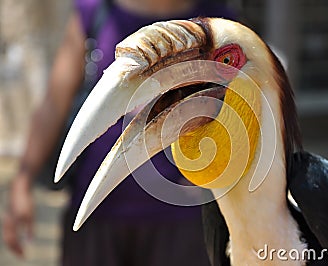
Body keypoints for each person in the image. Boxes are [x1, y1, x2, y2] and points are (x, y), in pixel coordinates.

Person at [2, 0, 236, 265]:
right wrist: (23, 179)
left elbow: (240, 108)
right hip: (96, 214)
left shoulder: (217, 22)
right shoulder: (95, 10)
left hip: (183, 221)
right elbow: (55, 101)